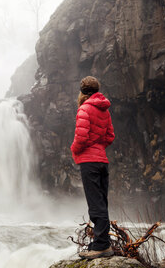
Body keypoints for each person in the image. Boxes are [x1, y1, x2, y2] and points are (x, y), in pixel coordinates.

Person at [70, 76, 115, 259]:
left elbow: (81, 138)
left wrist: (74, 150)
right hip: (102, 161)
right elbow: (110, 136)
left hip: (89, 162)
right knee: (101, 202)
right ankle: (102, 243)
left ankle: (101, 246)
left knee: (95, 205)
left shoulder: (84, 109)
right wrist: (98, 147)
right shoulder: (104, 110)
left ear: (82, 92)